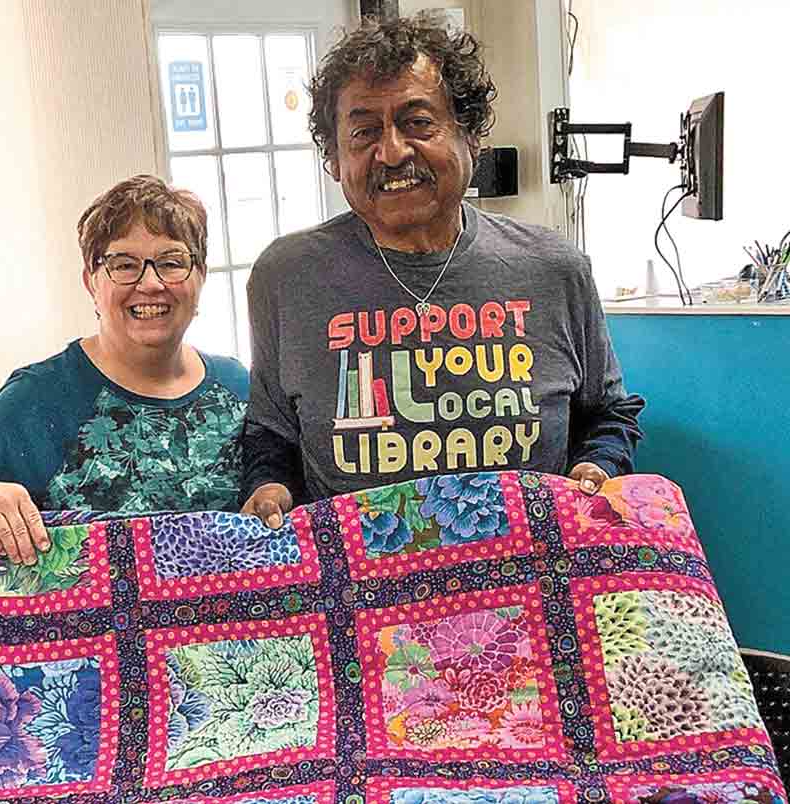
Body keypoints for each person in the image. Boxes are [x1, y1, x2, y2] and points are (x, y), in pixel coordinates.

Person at [240, 15, 644, 528]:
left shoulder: (554, 268)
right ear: (335, 160)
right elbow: (271, 433)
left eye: (418, 123)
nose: (391, 151)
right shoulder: (287, 277)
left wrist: (597, 465)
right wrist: (269, 486)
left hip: (530, 583)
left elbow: (607, 414)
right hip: (362, 596)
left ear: (470, 136)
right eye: (364, 132)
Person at [0, 175, 249, 562]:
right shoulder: (39, 397)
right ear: (90, 282)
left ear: (200, 276)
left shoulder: (239, 388)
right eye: (124, 265)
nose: (151, 283)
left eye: (171, 262)